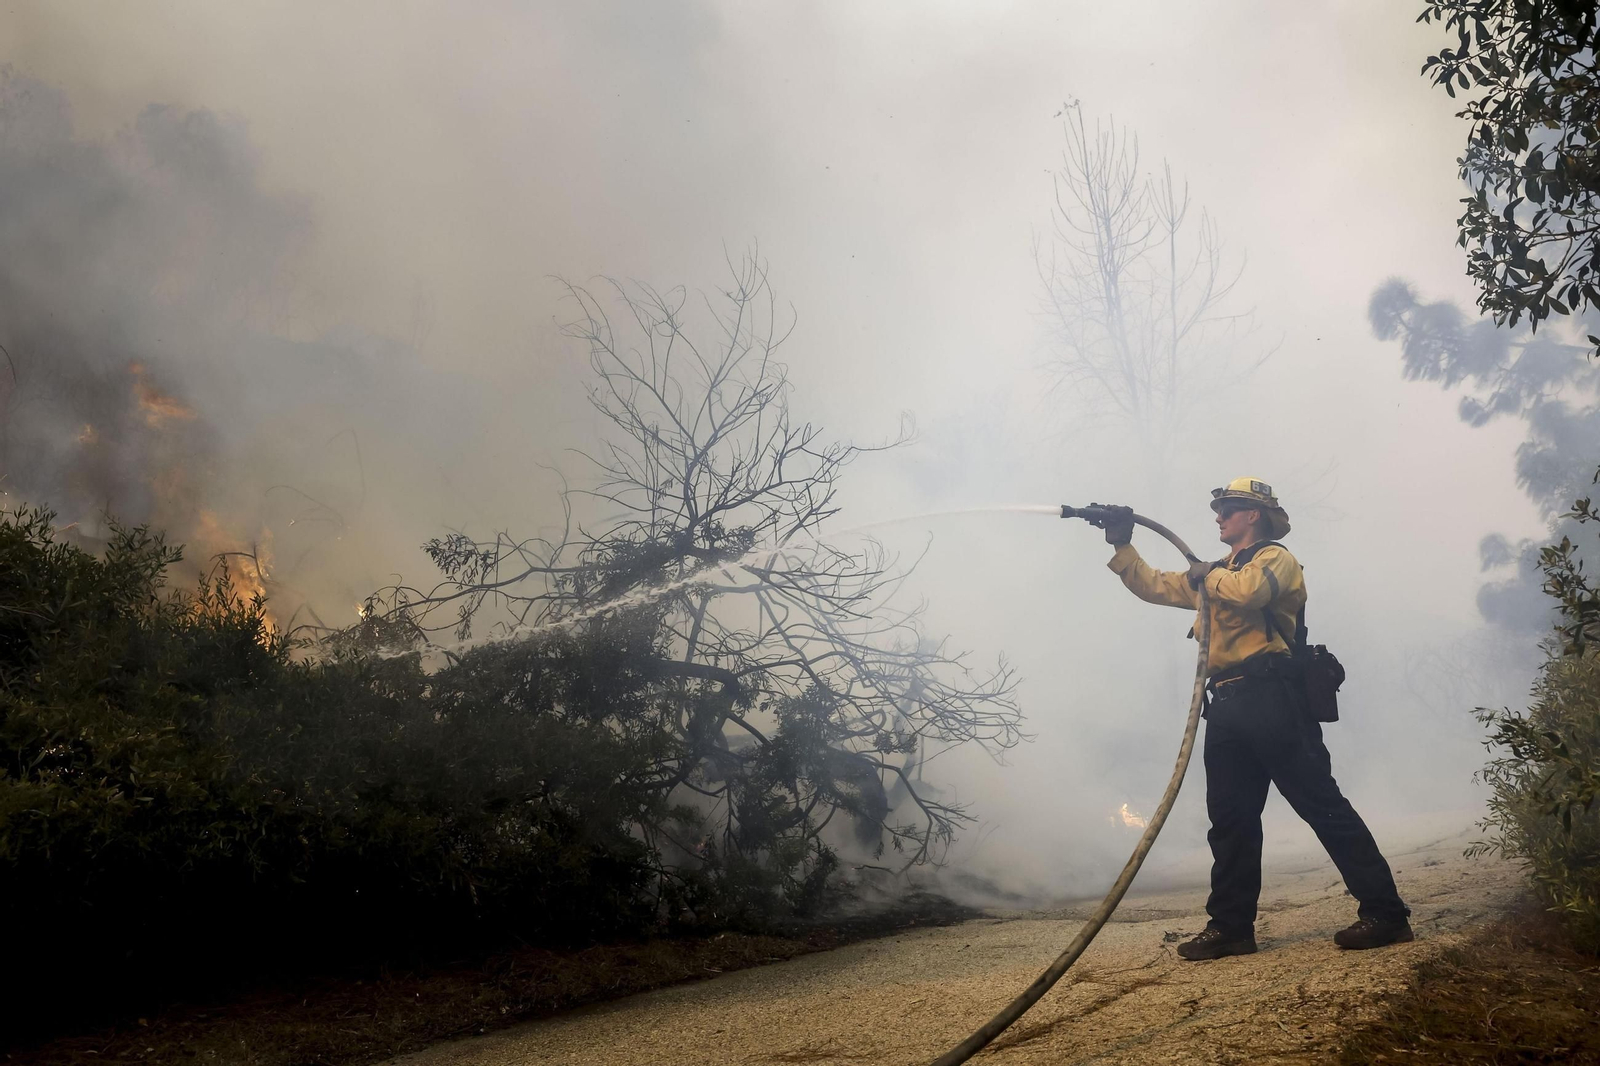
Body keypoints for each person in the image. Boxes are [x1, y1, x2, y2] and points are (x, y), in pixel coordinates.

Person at [1097, 477, 1412, 961]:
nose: (1218, 517)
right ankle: (1231, 929)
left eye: (1228, 508)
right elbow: (1155, 586)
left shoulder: (1274, 559)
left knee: (1322, 807)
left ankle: (1386, 915)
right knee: (1230, 823)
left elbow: (1250, 594)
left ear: (1254, 516)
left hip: (1273, 700)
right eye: (1219, 509)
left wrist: (1207, 575)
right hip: (1224, 707)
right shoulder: (1213, 570)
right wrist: (1123, 543)